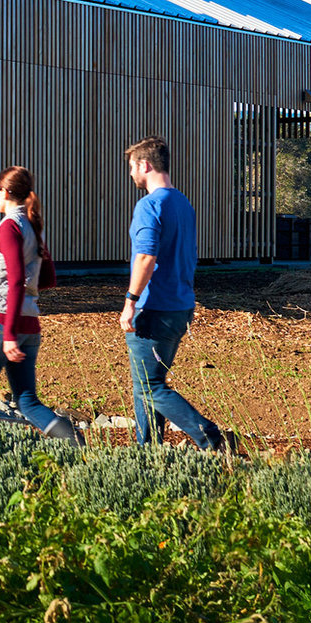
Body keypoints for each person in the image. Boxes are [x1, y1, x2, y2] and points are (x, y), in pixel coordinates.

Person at [120, 136, 233, 451]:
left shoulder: (150, 205)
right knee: (149, 383)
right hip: (180, 306)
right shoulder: (183, 203)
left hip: (153, 308)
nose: (131, 174)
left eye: (132, 167)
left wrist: (130, 302)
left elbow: (145, 257)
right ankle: (148, 453)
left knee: (148, 385)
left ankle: (208, 435)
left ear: (145, 164)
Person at [0, 165, 79, 441]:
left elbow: (15, 280)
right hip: (30, 323)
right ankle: (74, 444)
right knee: (27, 401)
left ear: (5, 192)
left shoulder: (8, 228)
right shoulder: (33, 228)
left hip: (2, 322)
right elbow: (47, 278)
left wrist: (9, 335)